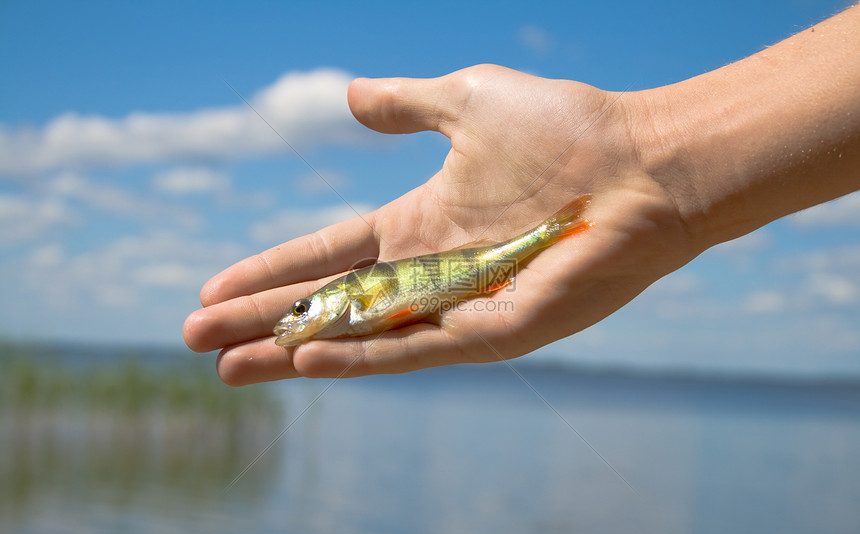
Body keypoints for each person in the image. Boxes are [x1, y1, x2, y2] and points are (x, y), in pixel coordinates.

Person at [184, 6, 860, 385]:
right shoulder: (352, 308)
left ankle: (553, 230)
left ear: (333, 298)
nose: (302, 313)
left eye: (305, 306)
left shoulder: (354, 300)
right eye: (302, 312)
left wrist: (639, 154)